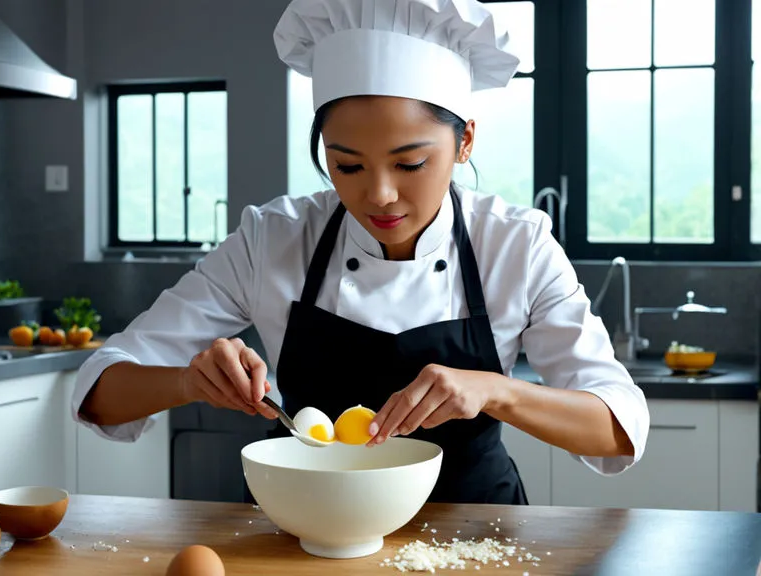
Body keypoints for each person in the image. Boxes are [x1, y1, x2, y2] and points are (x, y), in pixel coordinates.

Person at [72, 0, 649, 505]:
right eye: (346, 164)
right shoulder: (272, 239)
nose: (378, 195)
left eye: (410, 163)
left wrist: (497, 390)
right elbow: (100, 390)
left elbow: (618, 425)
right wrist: (188, 383)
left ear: (465, 139)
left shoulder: (515, 244)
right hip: (299, 534)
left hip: (474, 535)